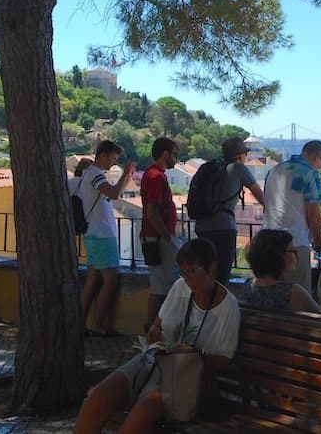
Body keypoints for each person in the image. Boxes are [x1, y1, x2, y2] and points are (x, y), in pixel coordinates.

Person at [73, 238, 240, 433]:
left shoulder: (228, 308)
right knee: (99, 396)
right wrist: (154, 331)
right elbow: (159, 323)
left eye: (193, 271)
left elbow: (224, 360)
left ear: (212, 268)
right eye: (183, 272)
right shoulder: (180, 288)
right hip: (153, 360)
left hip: (187, 380)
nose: (187, 278)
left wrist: (193, 355)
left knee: (145, 408)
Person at [78, 141, 136, 337]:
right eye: (112, 158)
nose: (113, 162)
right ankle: (97, 324)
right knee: (111, 279)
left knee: (92, 280)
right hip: (102, 235)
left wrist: (126, 176)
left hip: (93, 234)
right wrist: (124, 175)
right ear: (102, 155)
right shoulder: (95, 174)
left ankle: (80, 322)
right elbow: (114, 193)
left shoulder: (89, 174)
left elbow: (114, 194)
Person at [194, 136, 265, 283]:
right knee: (222, 275)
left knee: (206, 272)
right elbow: (260, 195)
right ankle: (217, 304)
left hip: (201, 226)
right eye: (245, 154)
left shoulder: (208, 168)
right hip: (223, 228)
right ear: (240, 155)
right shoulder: (239, 168)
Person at [262, 140, 321, 293]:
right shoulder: (311, 173)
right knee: (297, 296)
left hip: (268, 241)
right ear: (316, 158)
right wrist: (318, 242)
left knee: (272, 293)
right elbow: (313, 215)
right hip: (294, 243)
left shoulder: (274, 171)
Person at [141, 137, 180, 329]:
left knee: (161, 285)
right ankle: (153, 329)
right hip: (158, 239)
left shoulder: (152, 174)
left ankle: (154, 328)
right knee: (161, 287)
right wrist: (167, 237)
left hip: (155, 237)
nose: (176, 159)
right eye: (174, 154)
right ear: (165, 154)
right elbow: (152, 211)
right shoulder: (156, 177)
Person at [239, 229, 320, 312]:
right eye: (293, 251)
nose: (297, 256)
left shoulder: (248, 286)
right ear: (278, 255)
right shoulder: (292, 292)